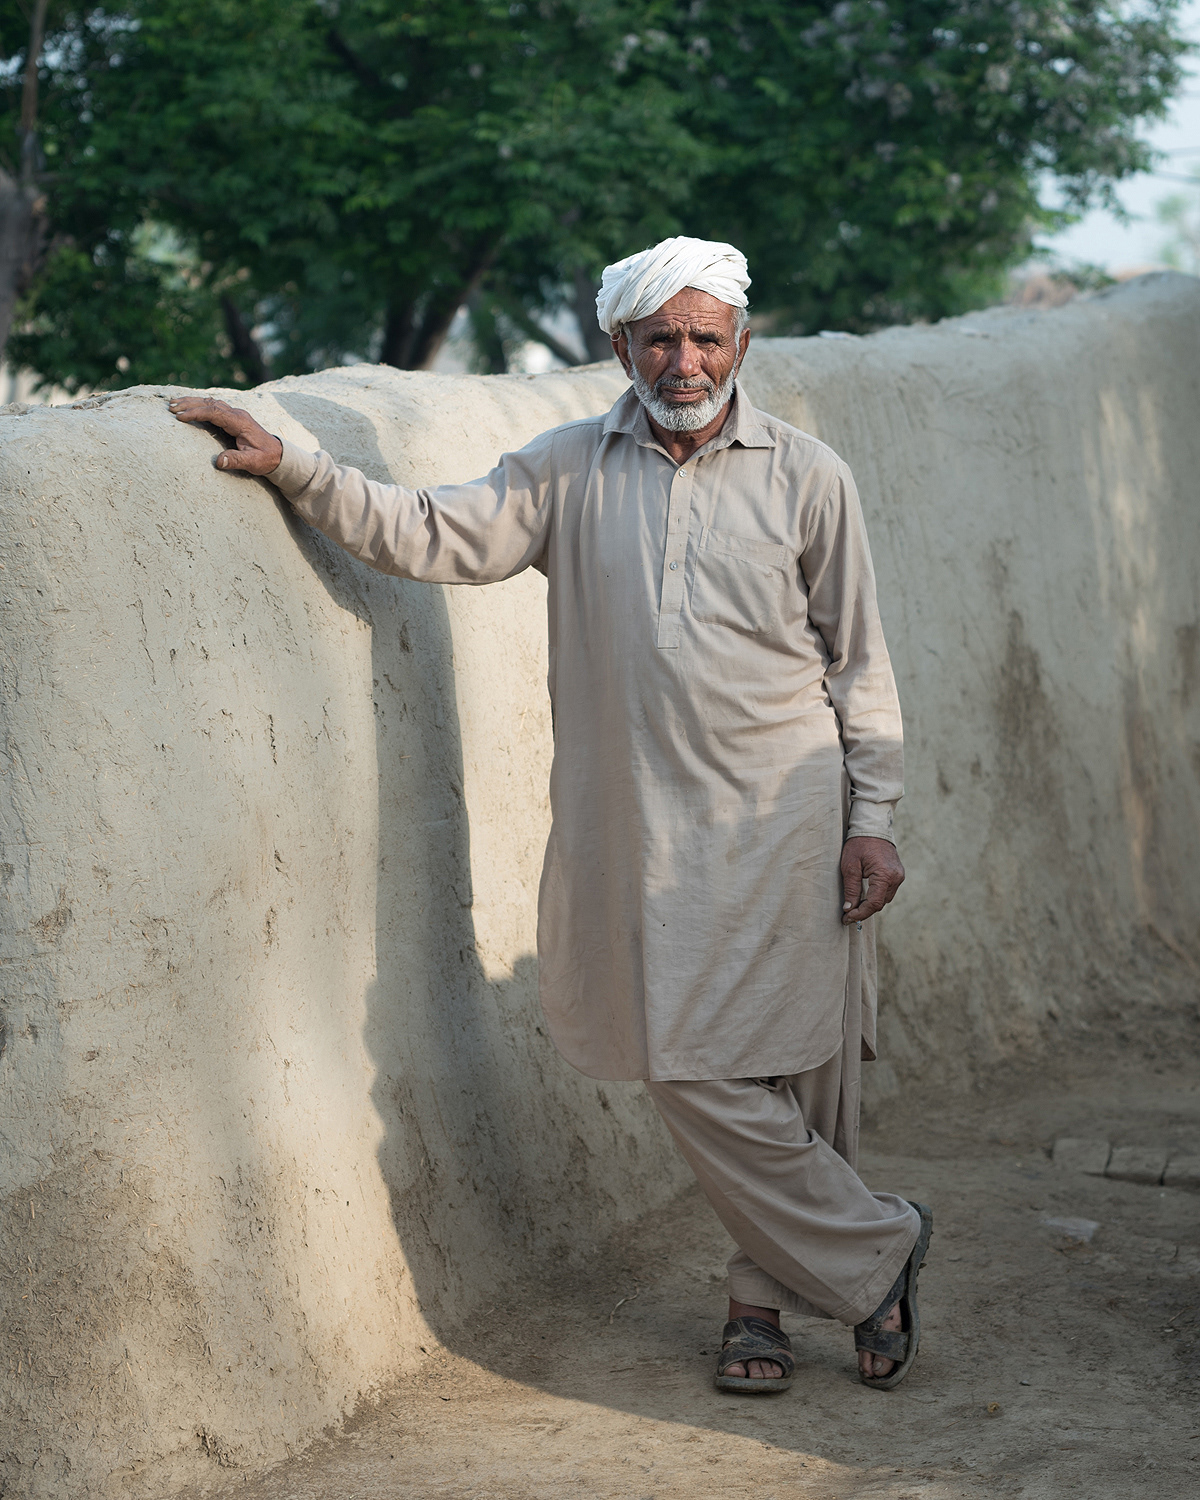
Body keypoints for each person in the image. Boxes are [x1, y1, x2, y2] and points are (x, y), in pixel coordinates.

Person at [170, 236, 932, 1393]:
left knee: (799, 1069)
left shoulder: (808, 475)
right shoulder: (568, 468)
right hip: (641, 835)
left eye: (706, 337)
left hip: (791, 820)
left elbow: (859, 661)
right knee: (690, 1063)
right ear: (619, 344)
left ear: (743, 343)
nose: (685, 361)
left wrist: (872, 815)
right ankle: (881, 1248)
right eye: (661, 338)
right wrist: (300, 468)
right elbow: (428, 531)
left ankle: (758, 1310)